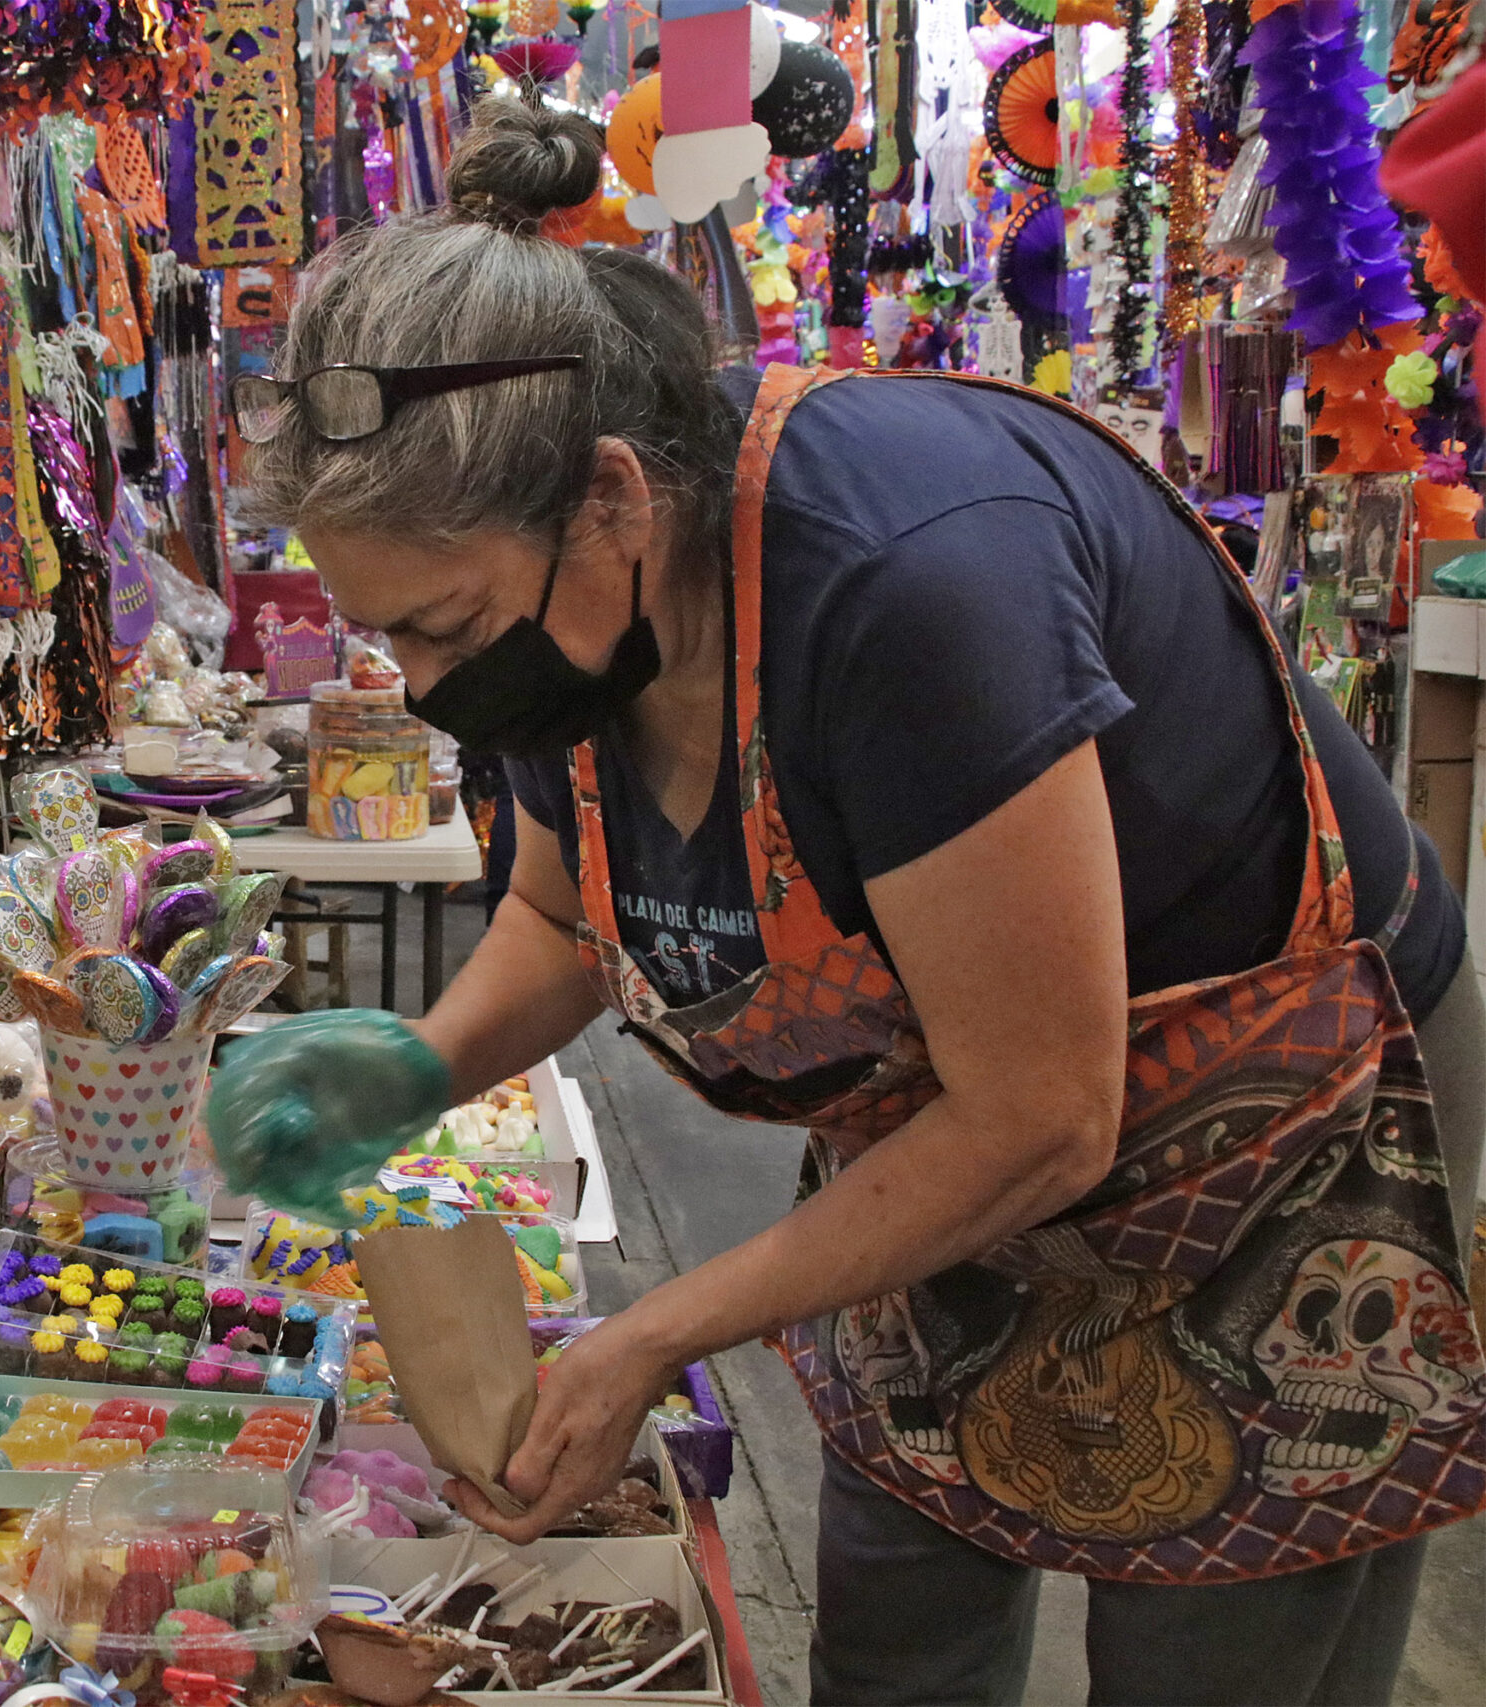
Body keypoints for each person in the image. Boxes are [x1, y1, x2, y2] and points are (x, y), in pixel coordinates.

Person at [208, 99, 1486, 1706]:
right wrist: (416, 1063)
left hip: (1268, 1114)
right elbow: (566, 911)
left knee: (1214, 1641)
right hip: (959, 1110)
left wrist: (655, 1331)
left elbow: (1039, 1112)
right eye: (391, 633)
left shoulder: (907, 578)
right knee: (902, 1612)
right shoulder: (573, 620)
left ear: (612, 497)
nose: (426, 683)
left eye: (448, 627)